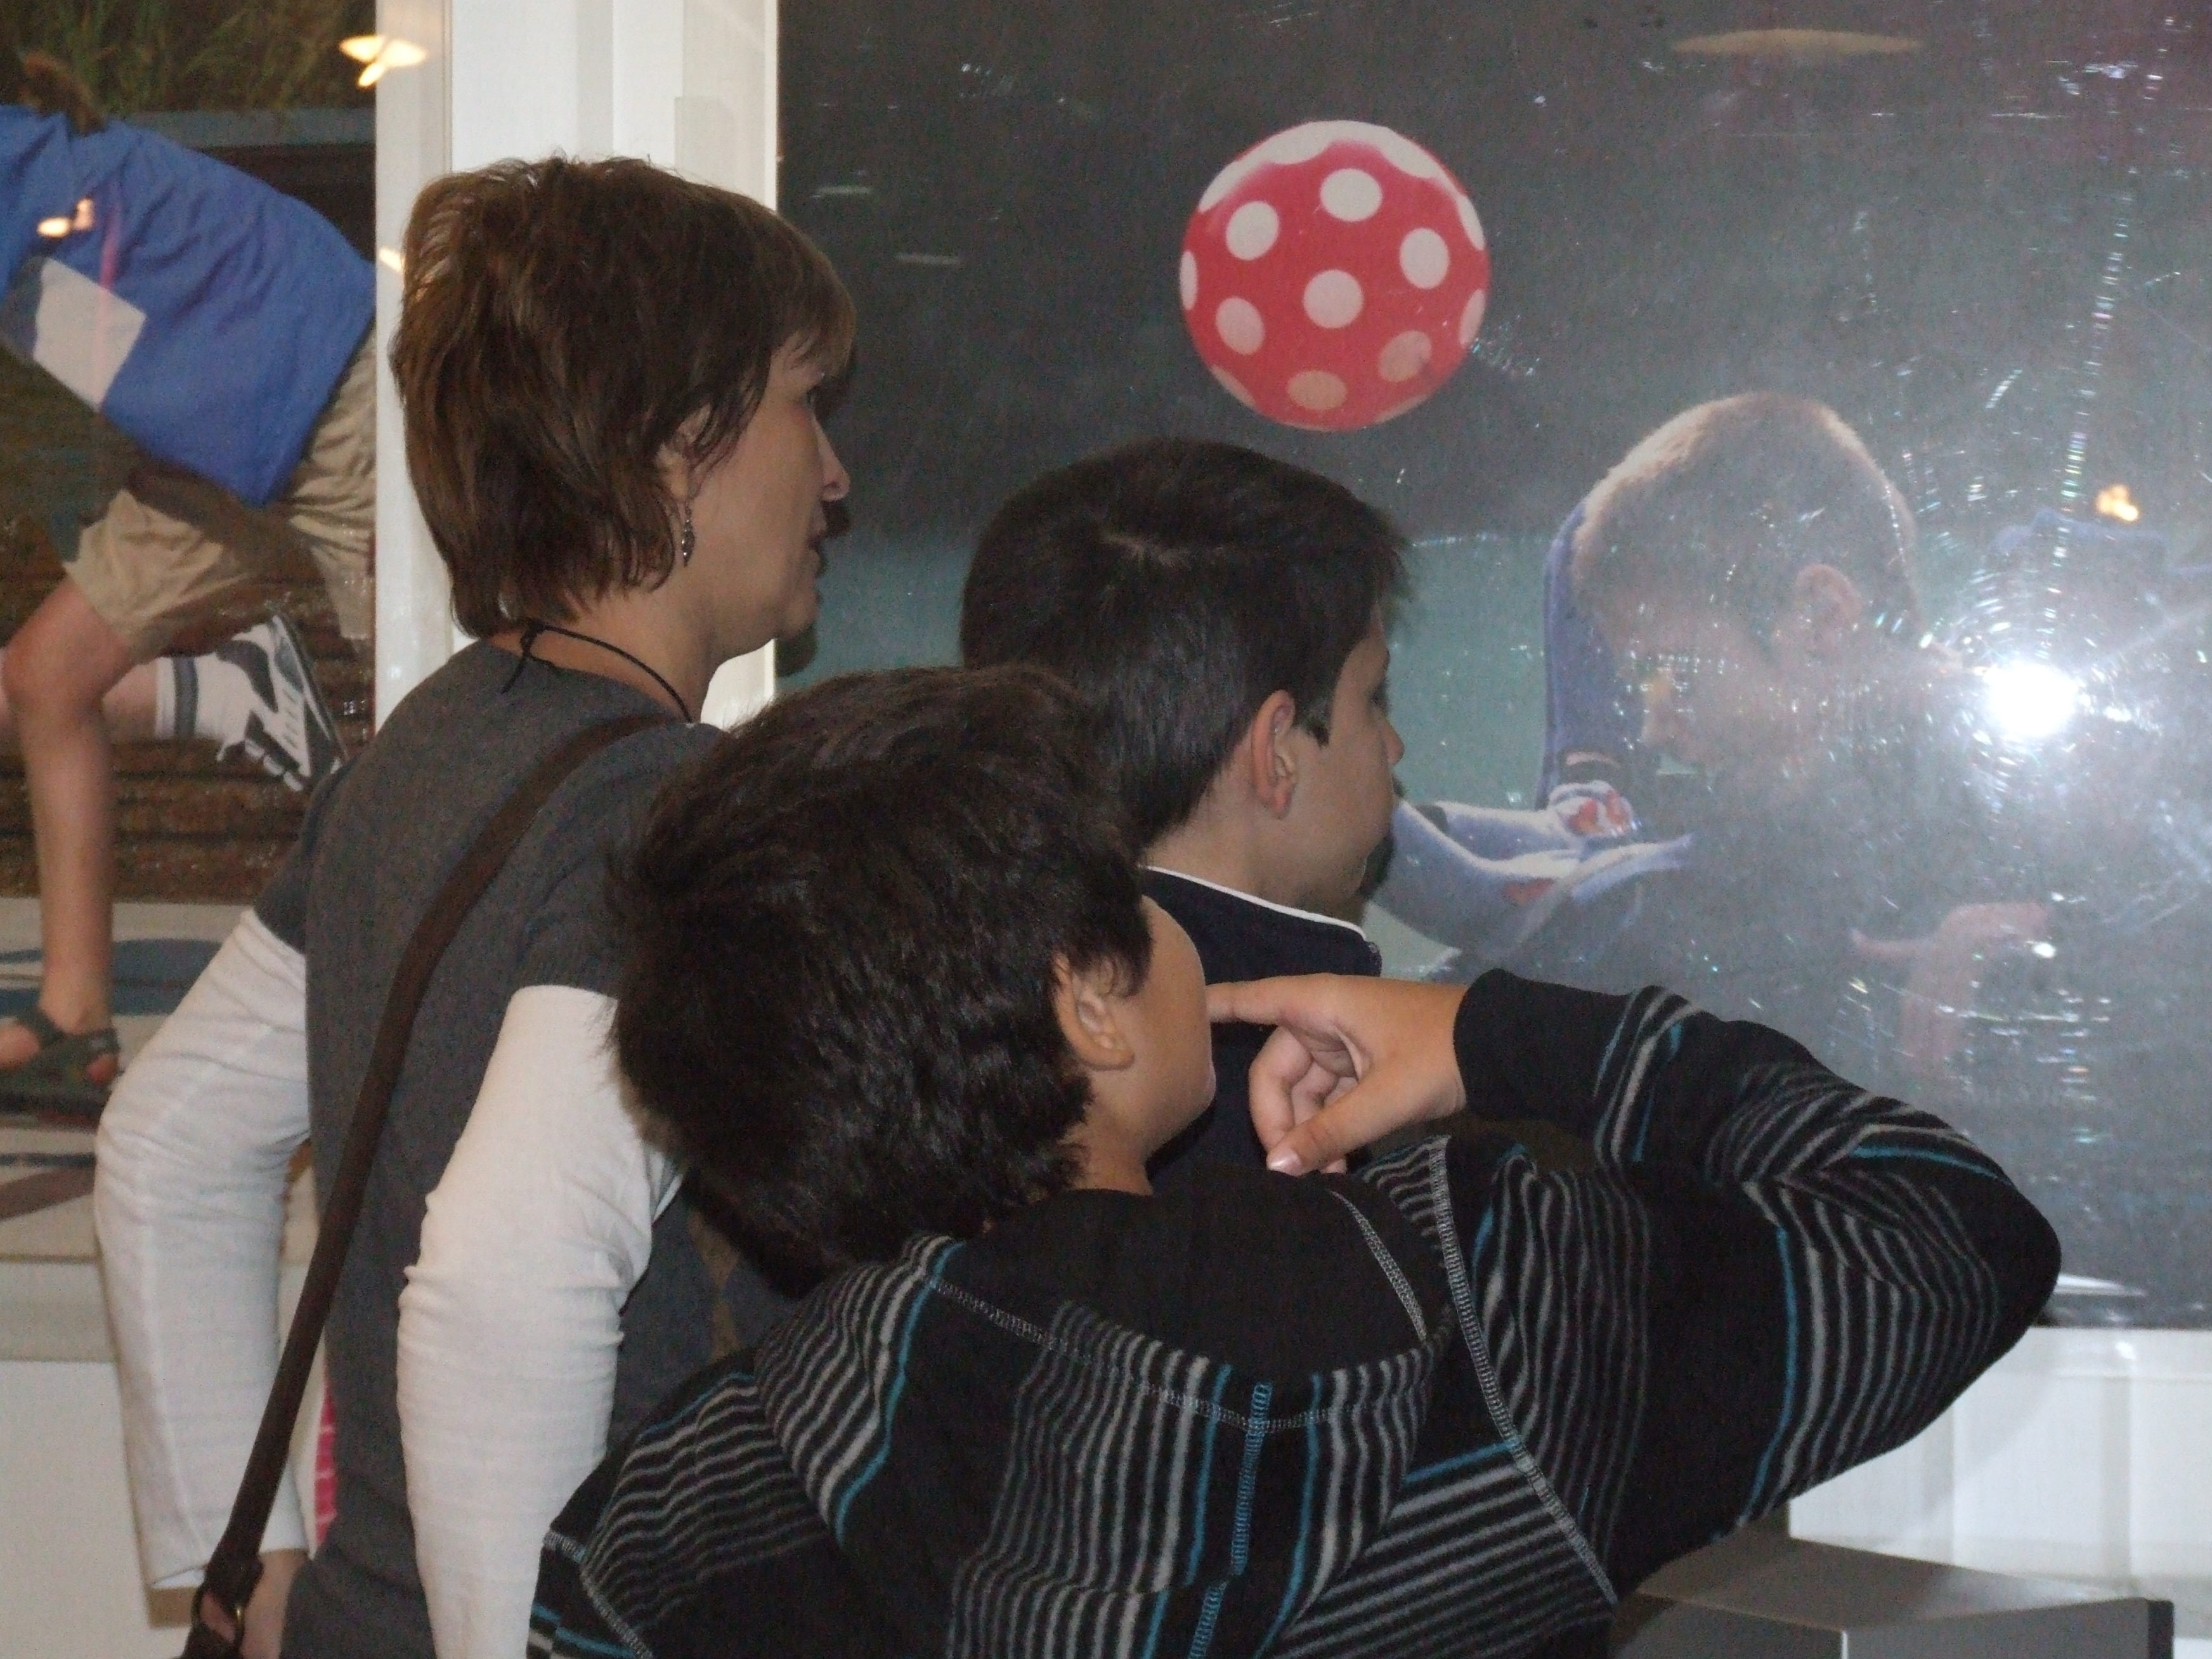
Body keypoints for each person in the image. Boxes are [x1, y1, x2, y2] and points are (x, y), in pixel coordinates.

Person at [530, 664, 2058, 1659]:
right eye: (1130, 891)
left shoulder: (659, 1523)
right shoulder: (1476, 1309)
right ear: (1087, 1001)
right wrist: (1495, 1034)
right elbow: (1946, 1230)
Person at [93, 155, 854, 1659]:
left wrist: (243, 1562)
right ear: (673, 445)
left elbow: (171, 1142)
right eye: (803, 405)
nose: (832, 474)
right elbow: (507, 1280)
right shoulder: (664, 806)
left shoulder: (421, 753)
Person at [1, 41, 361, 1112]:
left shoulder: (15, 160)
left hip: (336, 411)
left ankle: (447, 1017)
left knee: (443, 725)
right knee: (49, 675)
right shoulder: (42, 160)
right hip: (222, 445)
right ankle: (74, 1017)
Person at [960, 438, 1403, 1176]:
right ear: (1276, 754)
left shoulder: (981, 1037)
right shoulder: (1255, 1109)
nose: (1392, 746)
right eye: (1372, 698)